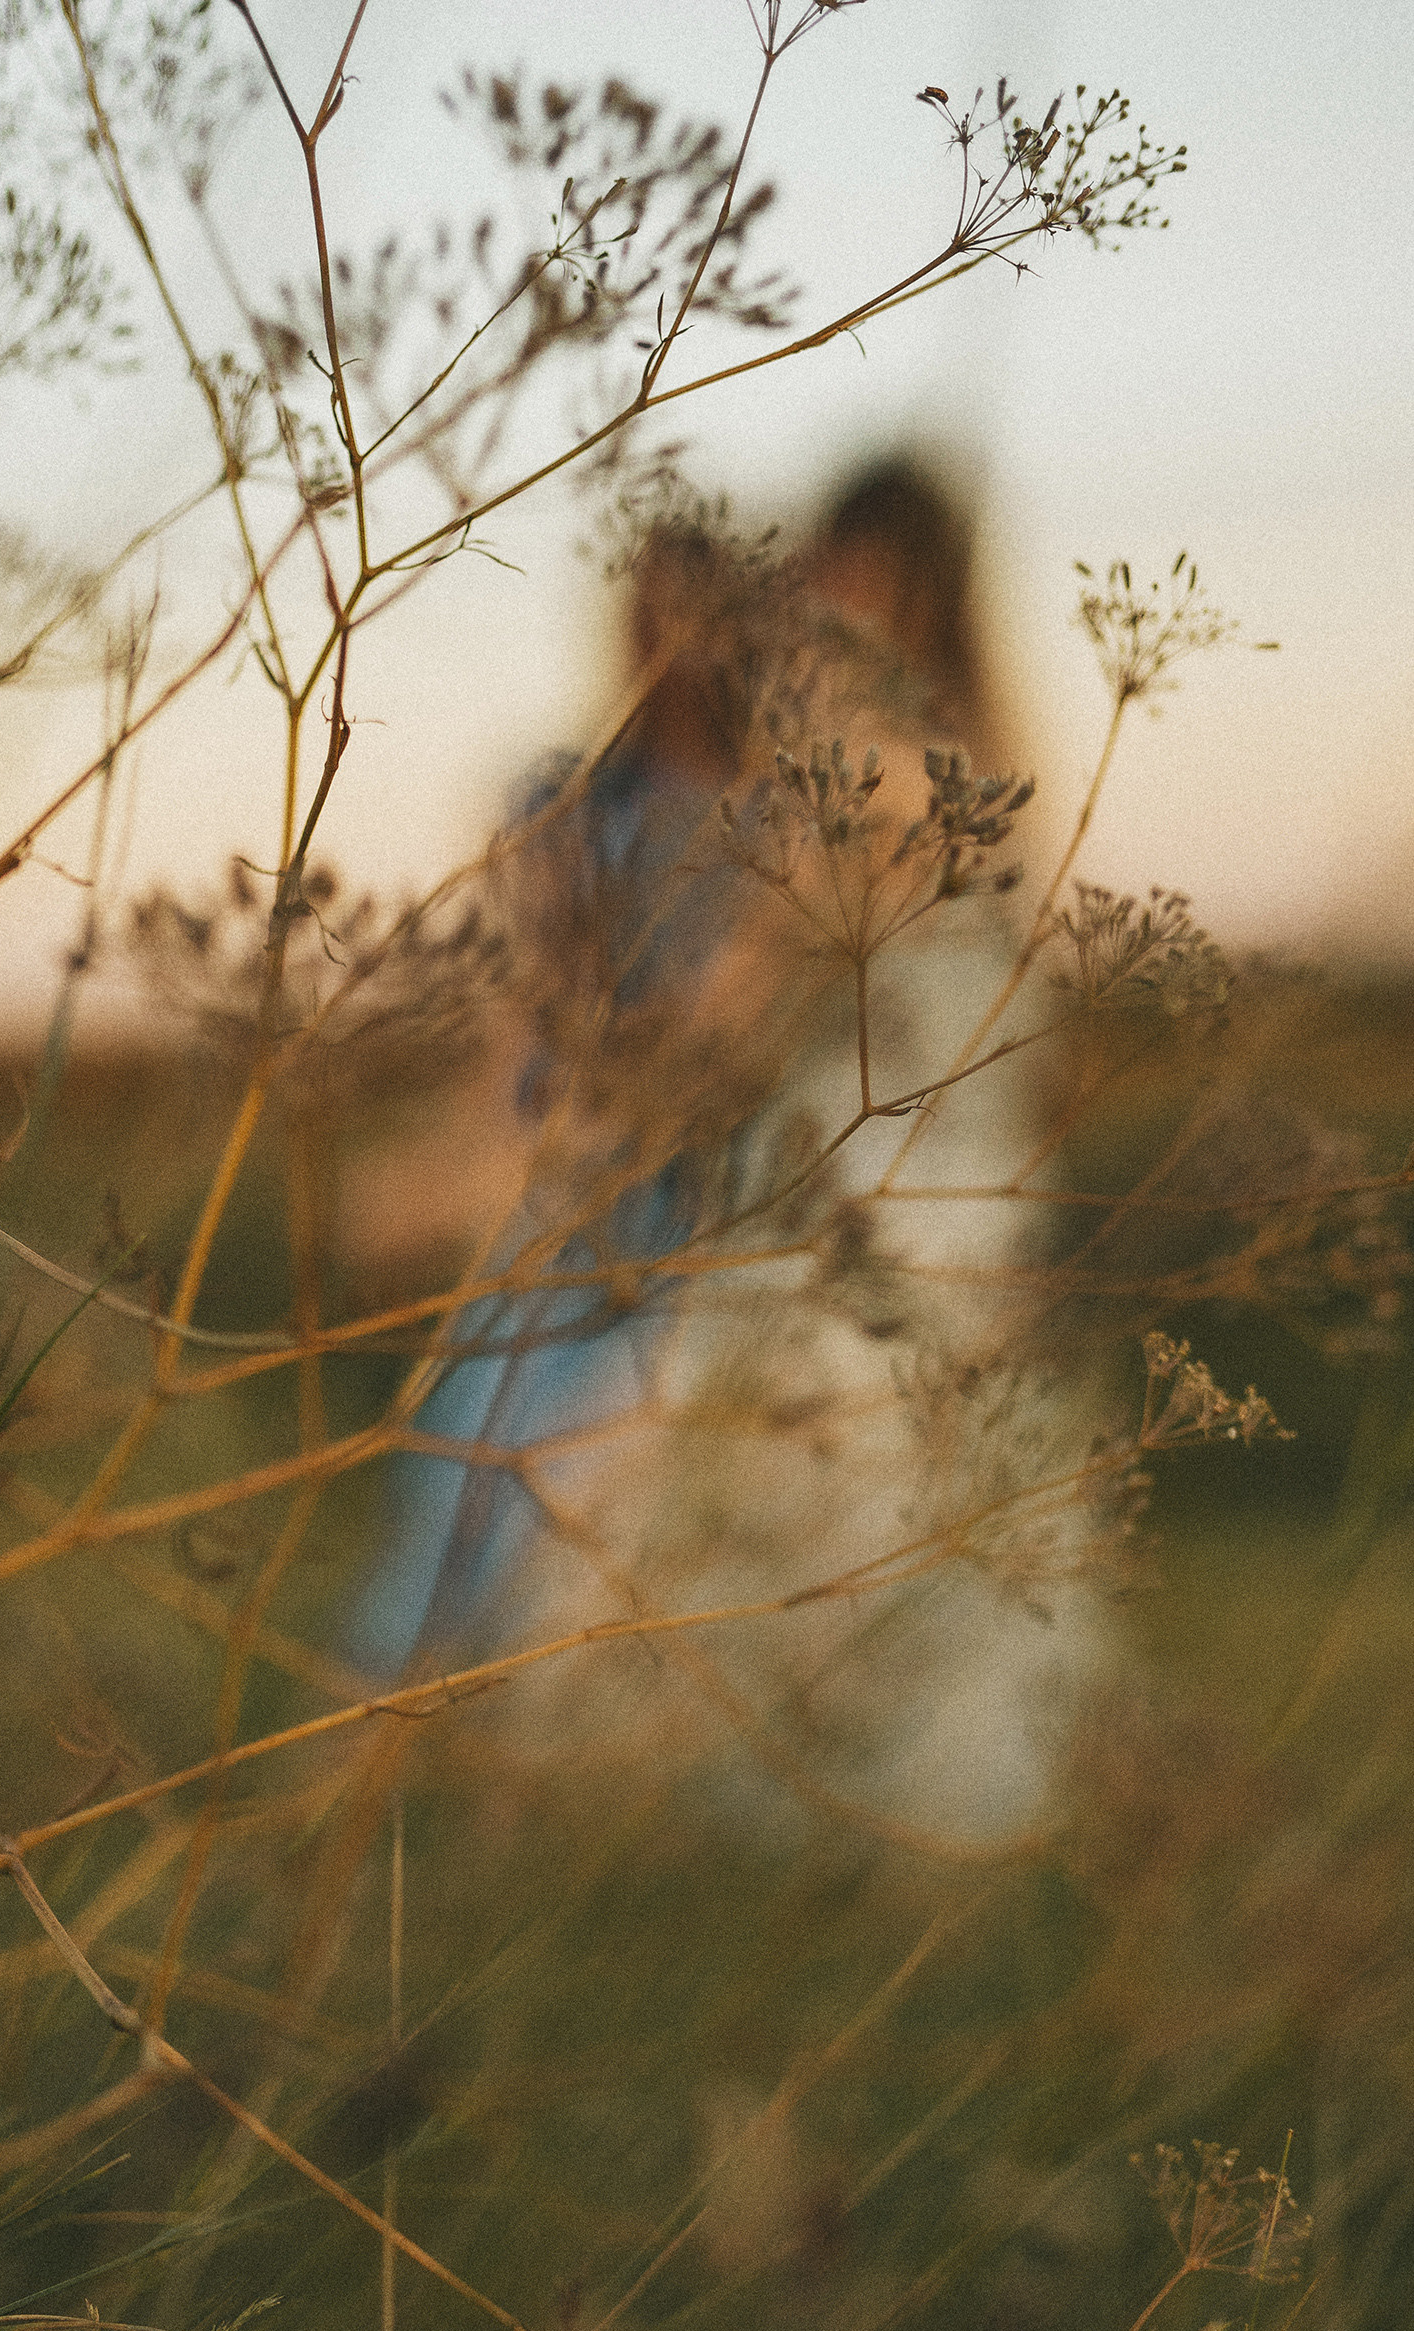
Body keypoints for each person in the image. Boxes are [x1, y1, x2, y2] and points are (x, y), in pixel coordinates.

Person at [346, 457, 1108, 1851]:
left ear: (917, 605)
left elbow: (746, 1028)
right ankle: (686, 1798)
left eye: (850, 599)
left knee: (751, 1475)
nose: (814, 633)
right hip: (836, 1188)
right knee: (734, 1475)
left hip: (892, 1200)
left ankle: (718, 1798)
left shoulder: (896, 791)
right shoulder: (905, 782)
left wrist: (578, 1133)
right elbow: (735, 1021)